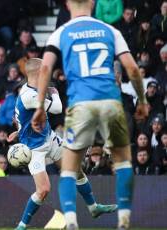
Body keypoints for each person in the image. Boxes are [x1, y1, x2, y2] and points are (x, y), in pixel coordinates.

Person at [31, 1, 149, 229]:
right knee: (123, 162)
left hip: (81, 104)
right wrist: (142, 101)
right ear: (93, 3)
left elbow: (45, 69)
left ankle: (72, 221)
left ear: (67, 4)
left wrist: (39, 106)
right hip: (111, 102)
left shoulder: (61, 32)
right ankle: (124, 219)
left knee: (69, 167)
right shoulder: (110, 31)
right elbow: (133, 69)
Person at [8, 58, 116, 230]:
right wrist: (55, 92)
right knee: (43, 190)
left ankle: (94, 208)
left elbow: (24, 118)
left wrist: (19, 130)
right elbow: (57, 108)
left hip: (49, 138)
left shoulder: (35, 90)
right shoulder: (29, 95)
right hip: (34, 149)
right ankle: (21, 226)